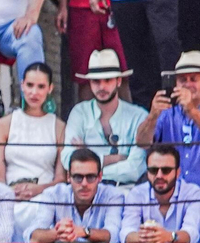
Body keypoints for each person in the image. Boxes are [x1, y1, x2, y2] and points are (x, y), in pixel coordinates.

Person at [136, 50, 200, 190]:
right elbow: (142, 142)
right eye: (183, 80)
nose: (188, 84)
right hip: (171, 193)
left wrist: (191, 110)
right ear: (176, 84)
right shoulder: (166, 115)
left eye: (193, 79)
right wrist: (152, 115)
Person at [62, 48, 146, 187]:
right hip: (86, 192)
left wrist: (87, 161)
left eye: (107, 80)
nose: (102, 86)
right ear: (89, 83)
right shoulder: (79, 112)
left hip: (125, 192)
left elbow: (135, 169)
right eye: (96, 81)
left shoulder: (138, 116)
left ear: (119, 81)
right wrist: (115, 159)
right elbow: (67, 159)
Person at [0, 61, 63, 202]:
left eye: (41, 87)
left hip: (46, 198)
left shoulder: (59, 127)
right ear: (22, 85)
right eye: (30, 85)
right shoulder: (2, 125)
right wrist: (8, 194)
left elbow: (61, 179)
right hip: (9, 197)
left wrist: (39, 189)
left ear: (50, 88)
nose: (34, 92)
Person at [27, 147, 120, 243]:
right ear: (68, 177)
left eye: (90, 177)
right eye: (78, 177)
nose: (84, 183)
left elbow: (114, 236)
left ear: (100, 177)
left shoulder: (113, 196)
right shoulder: (53, 194)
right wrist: (58, 233)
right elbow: (33, 236)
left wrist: (84, 232)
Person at [120, 143, 200, 243]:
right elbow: (127, 232)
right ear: (147, 172)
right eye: (153, 170)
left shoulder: (193, 193)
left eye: (166, 170)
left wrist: (169, 237)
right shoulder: (137, 194)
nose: (159, 176)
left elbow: (192, 233)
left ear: (177, 172)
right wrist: (147, 237)